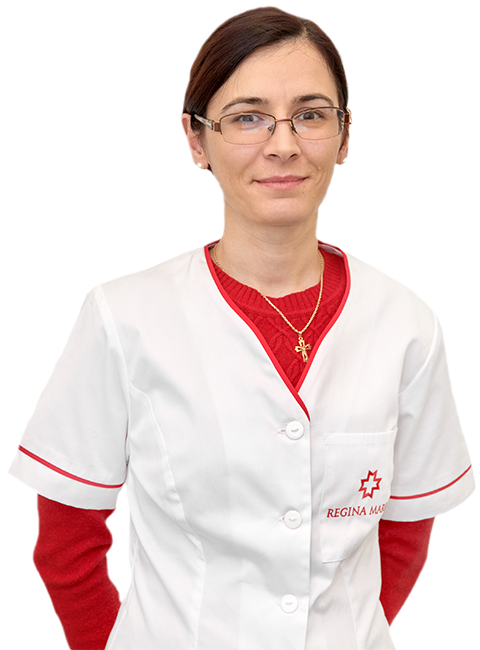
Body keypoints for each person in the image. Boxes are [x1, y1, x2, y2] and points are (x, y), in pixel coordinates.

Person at [7, 6, 474, 650]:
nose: (283, 145)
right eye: (247, 117)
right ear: (196, 140)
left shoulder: (403, 324)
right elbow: (67, 549)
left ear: (345, 136)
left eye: (311, 115)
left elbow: (406, 531)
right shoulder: (125, 319)